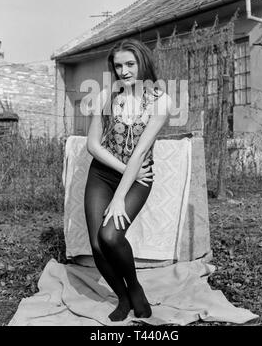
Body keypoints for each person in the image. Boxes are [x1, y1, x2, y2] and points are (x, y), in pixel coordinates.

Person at [84, 38, 171, 322]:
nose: (124, 70)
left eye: (130, 64)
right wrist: (122, 171)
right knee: (97, 244)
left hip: (139, 177)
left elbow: (141, 152)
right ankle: (123, 298)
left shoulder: (161, 102)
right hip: (102, 172)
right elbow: (93, 146)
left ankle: (135, 290)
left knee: (110, 235)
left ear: (142, 63)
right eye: (118, 65)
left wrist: (120, 196)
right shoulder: (106, 96)